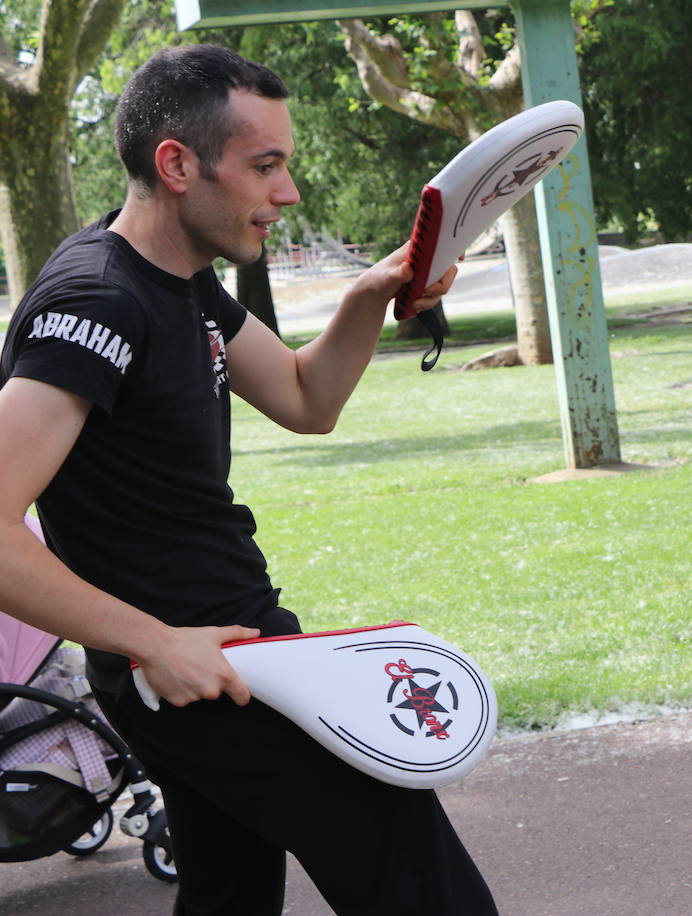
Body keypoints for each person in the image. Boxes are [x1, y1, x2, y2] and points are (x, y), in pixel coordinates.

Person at [0, 45, 497, 915]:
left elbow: (307, 398)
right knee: (413, 867)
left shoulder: (183, 282)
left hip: (229, 651)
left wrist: (372, 293)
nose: (288, 192)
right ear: (177, 165)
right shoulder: (96, 301)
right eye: (265, 166)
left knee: (231, 892)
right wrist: (158, 644)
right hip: (193, 668)